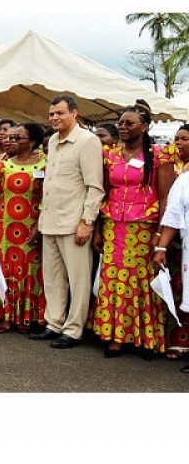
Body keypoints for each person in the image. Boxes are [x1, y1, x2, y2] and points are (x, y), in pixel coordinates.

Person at [92, 102, 174, 357]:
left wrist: (160, 236)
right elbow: (103, 192)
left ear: (145, 127)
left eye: (129, 123)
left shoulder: (160, 155)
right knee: (113, 279)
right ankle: (115, 336)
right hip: (113, 226)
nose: (123, 127)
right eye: (121, 123)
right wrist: (96, 229)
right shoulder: (110, 155)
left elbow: (165, 198)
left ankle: (145, 338)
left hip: (144, 229)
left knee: (140, 281)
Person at [31, 95, 105, 349]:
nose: (54, 118)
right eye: (51, 114)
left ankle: (73, 330)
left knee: (78, 279)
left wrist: (87, 221)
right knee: (52, 278)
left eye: (60, 113)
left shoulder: (88, 141)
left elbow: (95, 187)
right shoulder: (52, 140)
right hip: (50, 219)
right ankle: (54, 323)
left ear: (74, 113)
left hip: (74, 222)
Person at [0, 123, 47, 334]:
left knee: (29, 271)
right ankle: (5, 315)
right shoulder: (3, 165)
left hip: (31, 225)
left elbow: (48, 197)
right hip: (5, 225)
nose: (12, 140)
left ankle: (26, 317)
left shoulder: (45, 165)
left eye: (19, 137)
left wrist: (38, 225)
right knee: (4, 269)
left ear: (31, 142)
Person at [163, 123, 189, 357]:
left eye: (184, 138)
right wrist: (162, 244)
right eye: (176, 138)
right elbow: (172, 214)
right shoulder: (178, 174)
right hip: (181, 245)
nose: (178, 143)